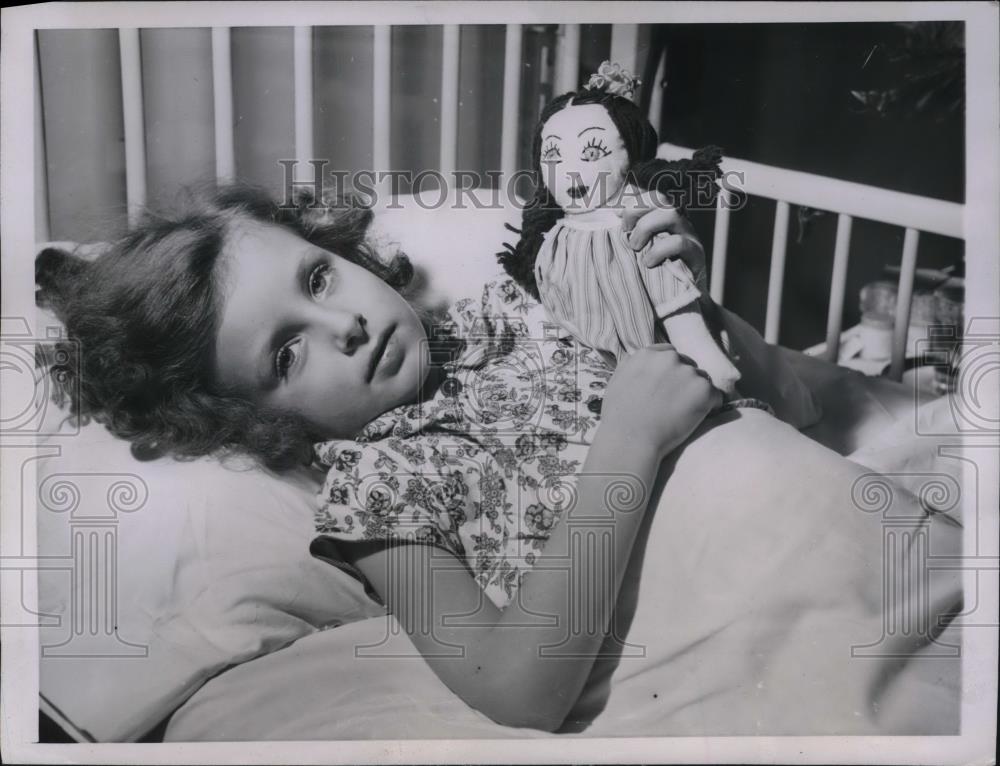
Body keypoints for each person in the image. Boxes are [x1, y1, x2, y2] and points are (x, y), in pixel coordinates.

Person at [36, 181, 719, 732]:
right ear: (248, 419)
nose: (346, 328)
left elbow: (748, 382)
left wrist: (683, 296)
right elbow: (517, 690)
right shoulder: (378, 491)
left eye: (318, 280)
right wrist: (628, 442)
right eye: (287, 354)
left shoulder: (511, 308)